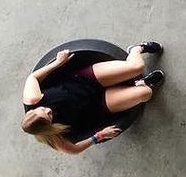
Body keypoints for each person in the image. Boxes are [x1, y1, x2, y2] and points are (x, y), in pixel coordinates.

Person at [21, 43, 165, 154]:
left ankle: (135, 49)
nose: (48, 110)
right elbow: (73, 149)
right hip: (98, 104)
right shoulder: (53, 136)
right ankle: (140, 83)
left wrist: (58, 63)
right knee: (145, 93)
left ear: (32, 111)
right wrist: (98, 137)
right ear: (49, 127)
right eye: (49, 116)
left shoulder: (33, 98)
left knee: (137, 66)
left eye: (43, 109)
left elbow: (33, 77)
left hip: (84, 80)